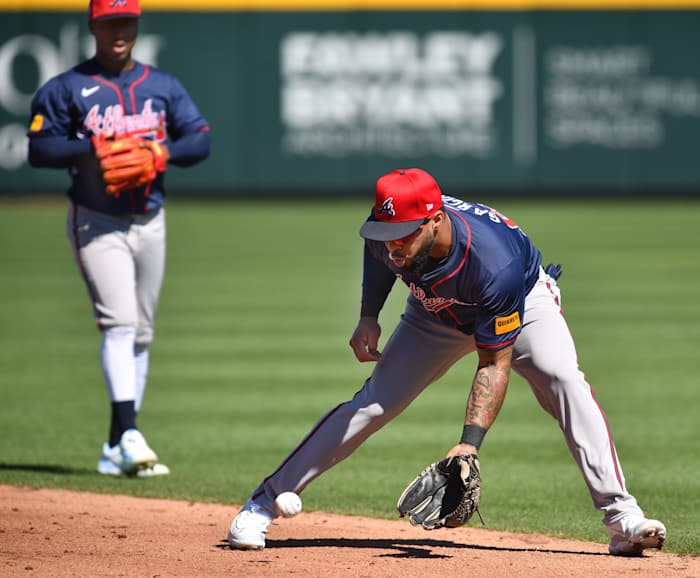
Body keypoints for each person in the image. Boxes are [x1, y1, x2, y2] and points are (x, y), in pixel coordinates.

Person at [228, 168, 666, 556]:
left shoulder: (496, 265)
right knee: (374, 402)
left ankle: (622, 518)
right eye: (386, 233)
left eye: (404, 235)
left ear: (435, 220)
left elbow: (493, 364)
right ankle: (263, 502)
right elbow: (379, 250)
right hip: (433, 312)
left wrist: (469, 444)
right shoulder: (392, 226)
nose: (393, 245)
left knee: (563, 380)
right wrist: (368, 315)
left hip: (518, 303)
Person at [27, 0, 211, 477]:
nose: (119, 31)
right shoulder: (66, 88)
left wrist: (158, 152)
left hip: (151, 218)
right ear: (94, 26)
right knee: (121, 323)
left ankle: (116, 444)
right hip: (97, 219)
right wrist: (93, 146)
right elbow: (40, 149)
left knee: (142, 332)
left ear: (137, 25)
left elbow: (200, 140)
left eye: (126, 21)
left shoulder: (162, 86)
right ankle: (129, 435)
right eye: (110, 22)